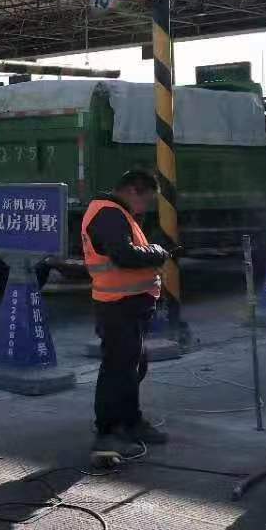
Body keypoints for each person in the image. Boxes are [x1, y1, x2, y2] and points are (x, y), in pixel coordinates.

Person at [82, 169, 177, 464]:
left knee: (132, 366)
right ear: (134, 190)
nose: (145, 207)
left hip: (129, 305)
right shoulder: (108, 213)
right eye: (146, 200)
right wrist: (158, 252)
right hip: (117, 306)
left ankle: (131, 422)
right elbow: (123, 255)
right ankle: (107, 433)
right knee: (118, 368)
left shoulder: (118, 213)